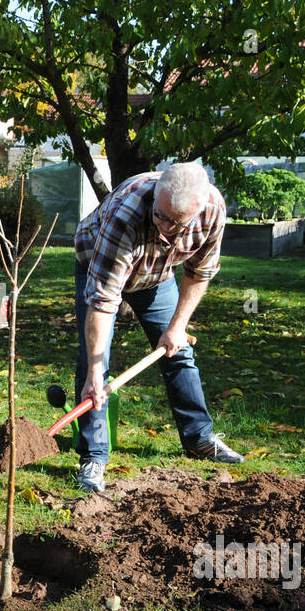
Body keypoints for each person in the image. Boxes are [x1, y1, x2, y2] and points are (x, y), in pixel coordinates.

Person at [73, 160, 243, 493]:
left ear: (196, 211)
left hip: (157, 276)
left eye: (174, 222)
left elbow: (199, 272)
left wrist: (178, 327)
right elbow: (104, 301)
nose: (164, 225)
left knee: (179, 352)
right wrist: (95, 370)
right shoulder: (127, 216)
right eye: (159, 215)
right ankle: (93, 457)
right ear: (156, 196)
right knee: (95, 364)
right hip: (98, 262)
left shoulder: (213, 210)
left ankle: (199, 437)